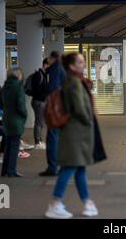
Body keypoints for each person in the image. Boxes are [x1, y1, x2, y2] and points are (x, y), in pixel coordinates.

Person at [45, 53, 103, 219]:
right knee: (70, 167)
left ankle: (87, 202)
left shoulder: (74, 81)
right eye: (80, 61)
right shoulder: (75, 83)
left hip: (76, 132)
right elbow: (79, 108)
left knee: (79, 168)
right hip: (76, 133)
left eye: (83, 61)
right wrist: (90, 118)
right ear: (71, 66)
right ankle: (55, 203)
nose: (83, 64)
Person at [40, 51, 65, 177]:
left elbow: (53, 88)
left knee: (52, 138)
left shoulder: (55, 69)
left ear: (52, 58)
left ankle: (52, 167)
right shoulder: (62, 68)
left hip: (55, 108)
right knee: (58, 137)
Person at [0, 68, 27, 177]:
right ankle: (11, 170)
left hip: (6, 118)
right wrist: (25, 114)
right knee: (15, 145)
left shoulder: (4, 87)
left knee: (8, 145)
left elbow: (1, 103)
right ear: (18, 76)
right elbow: (20, 105)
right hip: (16, 119)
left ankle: (5, 170)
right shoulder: (18, 88)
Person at [31, 58, 50, 150]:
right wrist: (46, 92)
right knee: (38, 122)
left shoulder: (44, 74)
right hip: (38, 101)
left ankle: (39, 140)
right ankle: (37, 142)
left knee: (41, 122)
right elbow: (36, 90)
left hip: (41, 101)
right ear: (45, 64)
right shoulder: (39, 75)